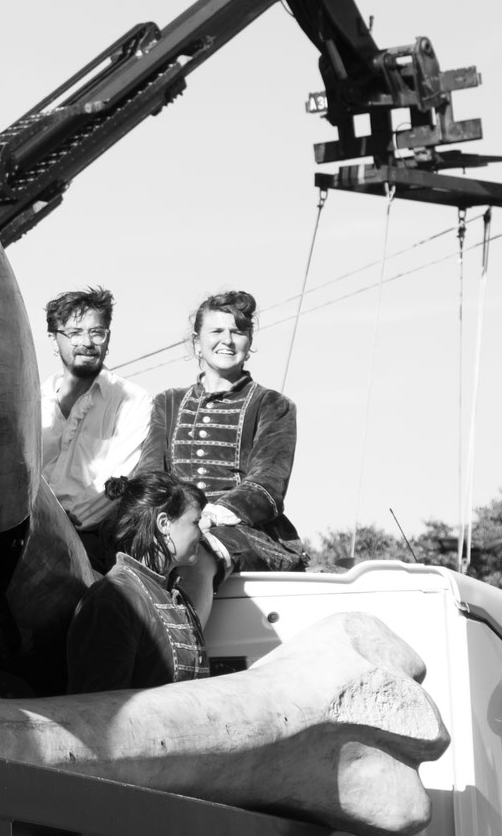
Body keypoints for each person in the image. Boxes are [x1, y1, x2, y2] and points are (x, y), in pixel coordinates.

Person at [139, 291, 306, 606]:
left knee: (198, 553)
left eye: (237, 332)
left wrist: (208, 517)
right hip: (171, 526)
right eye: (216, 331)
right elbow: (151, 475)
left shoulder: (273, 405)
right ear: (196, 341)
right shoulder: (168, 402)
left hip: (246, 534)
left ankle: (189, 652)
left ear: (249, 341)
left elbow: (267, 485)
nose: (227, 340)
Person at [37, 287, 155, 571]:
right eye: (75, 333)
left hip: (89, 537)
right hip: (29, 528)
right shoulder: (34, 400)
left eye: (96, 333)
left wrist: (61, 521)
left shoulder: (131, 400)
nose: (87, 342)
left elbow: (117, 483)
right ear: (54, 341)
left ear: (108, 339)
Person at [66, 472, 212, 692]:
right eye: (195, 522)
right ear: (164, 523)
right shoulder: (113, 598)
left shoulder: (179, 597)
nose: (201, 534)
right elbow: (101, 707)